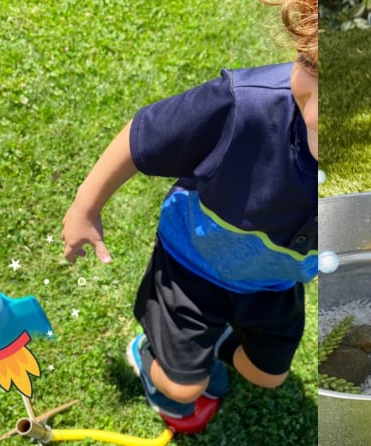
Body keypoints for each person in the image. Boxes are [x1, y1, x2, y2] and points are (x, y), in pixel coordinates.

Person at [60, 0, 318, 430]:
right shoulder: (243, 106)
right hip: (193, 264)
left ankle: (208, 343)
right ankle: (151, 353)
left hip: (273, 280)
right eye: (311, 62)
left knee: (268, 376)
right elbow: (143, 136)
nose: (317, 110)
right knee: (183, 391)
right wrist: (86, 207)